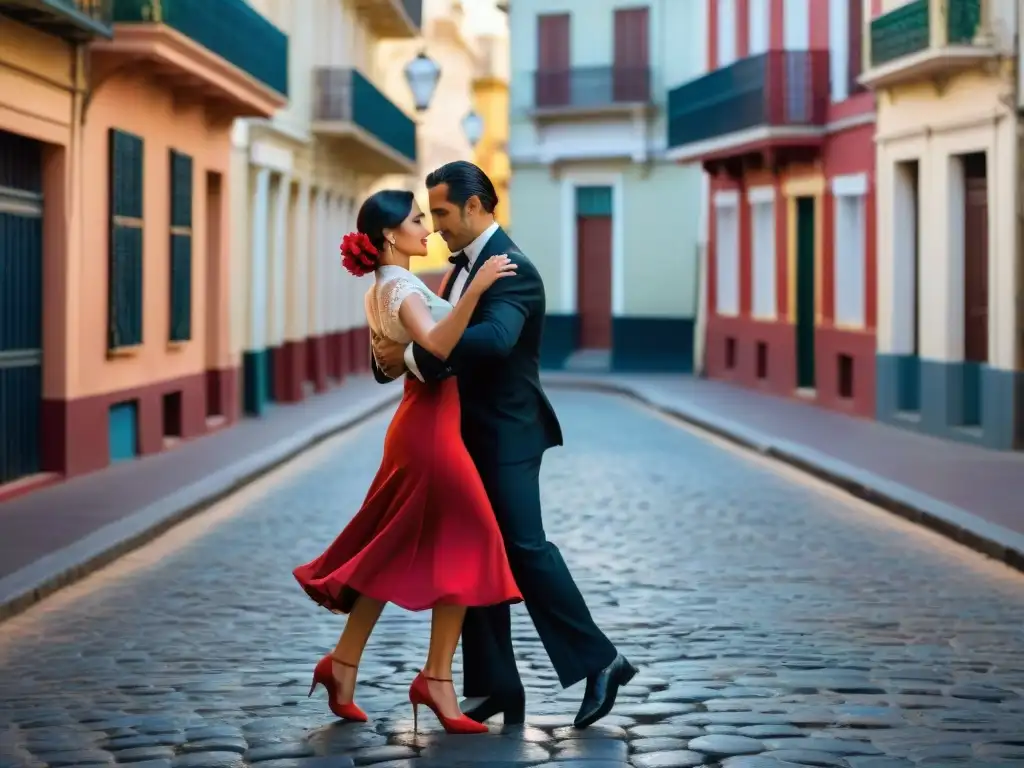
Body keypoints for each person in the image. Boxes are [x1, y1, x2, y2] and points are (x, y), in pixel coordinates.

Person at [370, 161, 636, 730]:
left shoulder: (511, 269)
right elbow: (428, 332)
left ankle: (602, 660)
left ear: (474, 206)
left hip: (508, 432)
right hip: (465, 433)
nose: (436, 225)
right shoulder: (458, 271)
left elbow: (491, 342)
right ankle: (494, 686)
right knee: (473, 551)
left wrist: (412, 358)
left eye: (441, 212)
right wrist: (389, 355)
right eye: (430, 213)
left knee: (524, 548)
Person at [292, 188, 523, 735]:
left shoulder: (386, 288)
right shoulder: (399, 286)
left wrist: (448, 297)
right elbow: (439, 345)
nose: (427, 228)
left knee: (397, 546)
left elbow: (396, 360)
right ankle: (436, 679)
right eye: (418, 219)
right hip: (431, 434)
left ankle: (343, 665)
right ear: (392, 235)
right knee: (475, 538)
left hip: (420, 425)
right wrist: (477, 292)